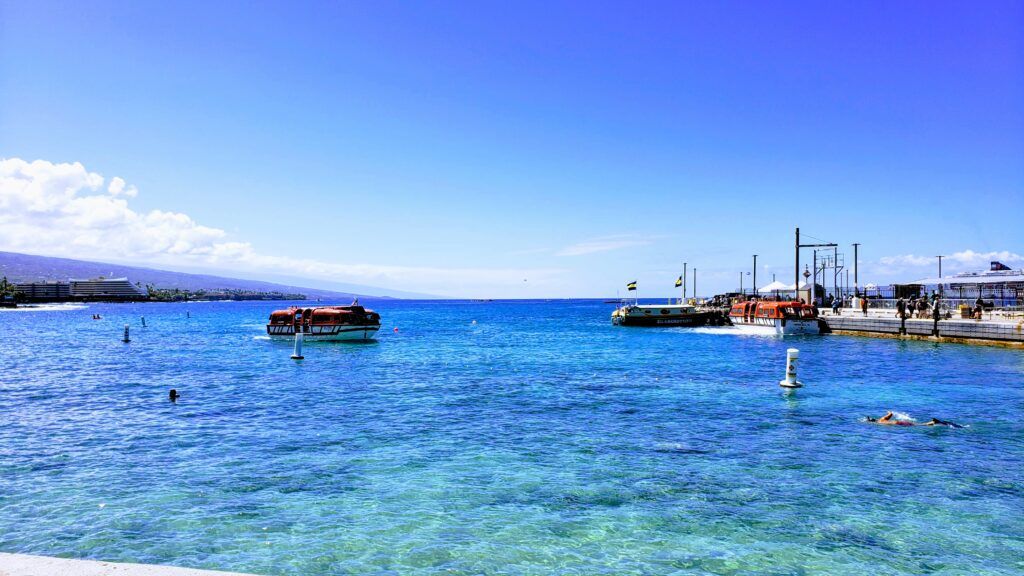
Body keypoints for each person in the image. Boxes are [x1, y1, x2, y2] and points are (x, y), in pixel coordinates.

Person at [866, 411, 962, 428]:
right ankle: (935, 422)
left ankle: (934, 422)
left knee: (919, 425)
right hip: (900, 422)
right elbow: (891, 413)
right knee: (918, 424)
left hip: (899, 424)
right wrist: (888, 412)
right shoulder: (882, 419)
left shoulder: (880, 422)